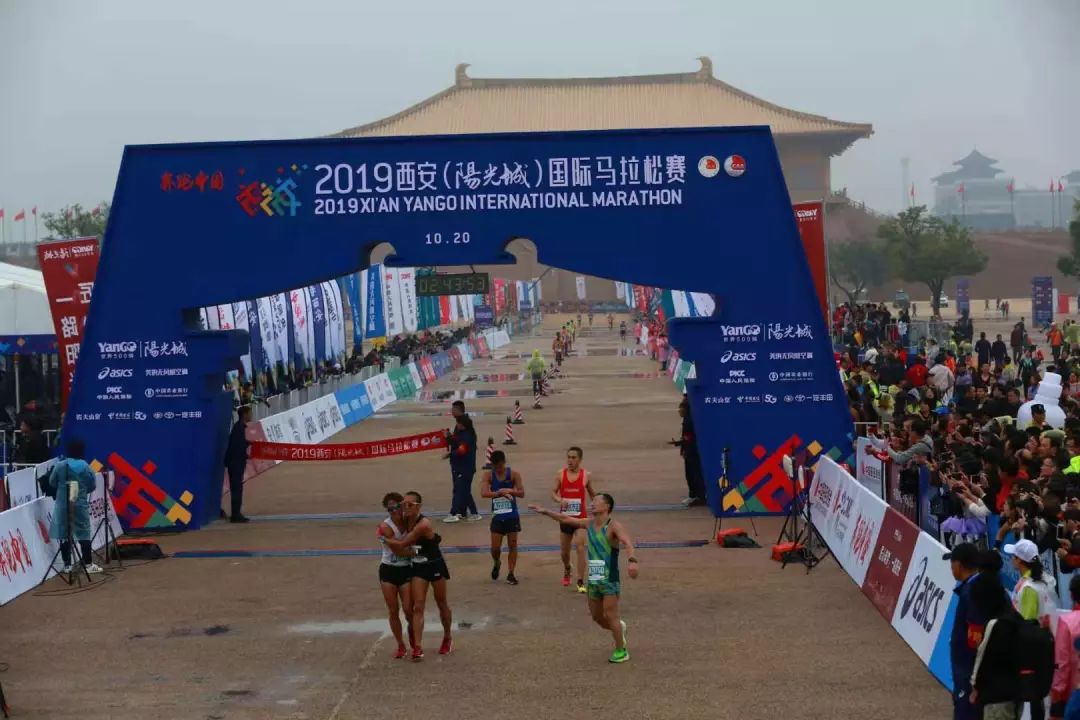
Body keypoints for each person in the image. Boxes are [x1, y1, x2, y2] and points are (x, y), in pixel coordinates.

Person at [529, 493, 639, 663]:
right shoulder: (589, 523)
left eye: (596, 502)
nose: (592, 504)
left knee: (611, 614)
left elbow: (628, 543)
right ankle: (619, 629)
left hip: (609, 578)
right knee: (596, 617)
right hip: (593, 578)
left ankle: (621, 650)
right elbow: (565, 519)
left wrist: (632, 561)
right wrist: (545, 511)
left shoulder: (614, 526)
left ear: (607, 506)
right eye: (592, 501)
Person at [384, 491, 453, 661]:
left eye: (409, 505)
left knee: (441, 602)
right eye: (403, 504)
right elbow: (390, 519)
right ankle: (418, 647)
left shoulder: (423, 524)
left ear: (418, 507)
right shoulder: (405, 519)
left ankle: (447, 636)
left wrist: (386, 540)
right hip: (419, 566)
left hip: (434, 564)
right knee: (417, 606)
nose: (405, 508)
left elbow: (403, 542)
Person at [1005, 538, 1055, 720]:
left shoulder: (1029, 588)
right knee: (1035, 696)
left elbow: (1026, 620)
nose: (1011, 559)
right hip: (1040, 643)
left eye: (1014, 556)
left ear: (1020, 560)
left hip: (1028, 647)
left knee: (1026, 692)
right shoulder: (1038, 582)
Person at [969, 570, 1022, 719]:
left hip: (996, 697)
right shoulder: (1017, 618)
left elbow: (981, 658)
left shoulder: (994, 624)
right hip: (1016, 693)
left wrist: (974, 686)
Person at [47, 439, 102, 574]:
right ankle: (88, 564)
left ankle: (67, 565)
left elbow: (52, 482)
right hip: (79, 503)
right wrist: (82, 491)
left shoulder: (60, 465)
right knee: (84, 532)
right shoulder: (85, 466)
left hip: (62, 504)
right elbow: (92, 485)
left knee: (64, 533)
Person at [944, 543, 985, 719]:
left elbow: (975, 639)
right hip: (969, 671)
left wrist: (973, 680)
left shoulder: (972, 592)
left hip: (968, 673)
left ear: (959, 565)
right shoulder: (977, 587)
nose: (951, 567)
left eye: (952, 562)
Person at [551, 446, 596, 592]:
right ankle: (567, 568)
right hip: (565, 518)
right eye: (568, 457)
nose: (570, 460)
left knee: (580, 547)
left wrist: (596, 506)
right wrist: (559, 500)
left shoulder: (586, 475)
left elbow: (593, 494)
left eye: (573, 457)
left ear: (580, 459)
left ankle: (580, 580)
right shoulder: (560, 474)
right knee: (564, 552)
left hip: (581, 518)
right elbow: (553, 492)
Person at [376, 492, 414, 659]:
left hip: (406, 569)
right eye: (389, 509)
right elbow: (399, 550)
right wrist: (414, 552)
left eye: (396, 507)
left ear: (402, 505)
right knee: (393, 610)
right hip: (388, 569)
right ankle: (400, 644)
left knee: (408, 610)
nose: (393, 511)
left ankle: (414, 636)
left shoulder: (410, 521)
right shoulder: (385, 526)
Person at [480, 450, 524, 585]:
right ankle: (497, 562)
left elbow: (522, 493)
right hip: (498, 517)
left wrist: (510, 491)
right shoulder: (489, 475)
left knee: (512, 545)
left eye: (499, 466)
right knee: (495, 548)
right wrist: (499, 493)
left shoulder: (514, 475)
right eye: (495, 467)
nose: (498, 469)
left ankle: (511, 573)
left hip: (512, 516)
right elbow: (484, 493)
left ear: (504, 463)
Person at [670, 397, 706, 506]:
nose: (679, 411)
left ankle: (698, 496)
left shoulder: (690, 420)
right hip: (690, 450)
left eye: (681, 408)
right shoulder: (688, 419)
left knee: (693, 474)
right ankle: (695, 495)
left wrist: (682, 443)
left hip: (693, 451)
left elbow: (690, 437)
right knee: (691, 473)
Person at [1052, 575, 1080, 717]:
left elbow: (1062, 663)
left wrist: (1057, 690)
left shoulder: (1066, 622)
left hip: (1072, 694)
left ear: (1071, 594)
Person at [444, 413, 480, 523]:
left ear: (462, 424)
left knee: (459, 491)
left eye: (458, 423)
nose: (457, 425)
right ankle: (470, 513)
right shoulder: (462, 434)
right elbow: (456, 442)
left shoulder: (468, 436)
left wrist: (450, 455)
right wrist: (448, 437)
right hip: (460, 467)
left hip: (465, 468)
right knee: (464, 491)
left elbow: (462, 450)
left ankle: (454, 513)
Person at [224, 405, 251, 523]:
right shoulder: (238, 428)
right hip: (235, 464)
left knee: (237, 488)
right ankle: (235, 514)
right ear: (244, 414)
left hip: (235, 463)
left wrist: (247, 443)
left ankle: (236, 513)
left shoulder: (239, 428)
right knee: (236, 489)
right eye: (249, 413)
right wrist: (245, 453)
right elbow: (236, 447)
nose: (251, 415)